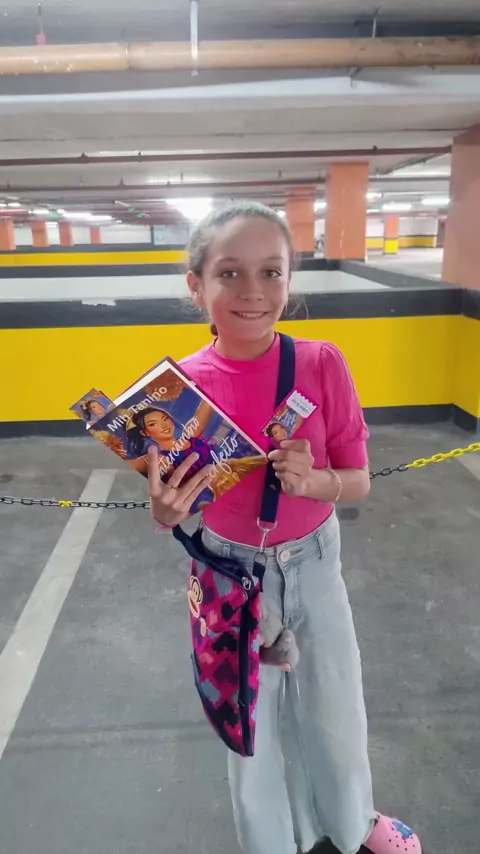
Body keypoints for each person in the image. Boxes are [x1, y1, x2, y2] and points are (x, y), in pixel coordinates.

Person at [146, 201, 422, 854]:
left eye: (272, 272)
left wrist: (317, 480)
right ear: (197, 286)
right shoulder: (181, 389)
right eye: (230, 273)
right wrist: (165, 512)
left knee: (335, 710)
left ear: (290, 279)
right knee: (248, 728)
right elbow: (171, 503)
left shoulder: (321, 364)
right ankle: (270, 842)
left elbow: (357, 480)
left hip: (315, 564)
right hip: (227, 571)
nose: (253, 291)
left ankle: (353, 826)